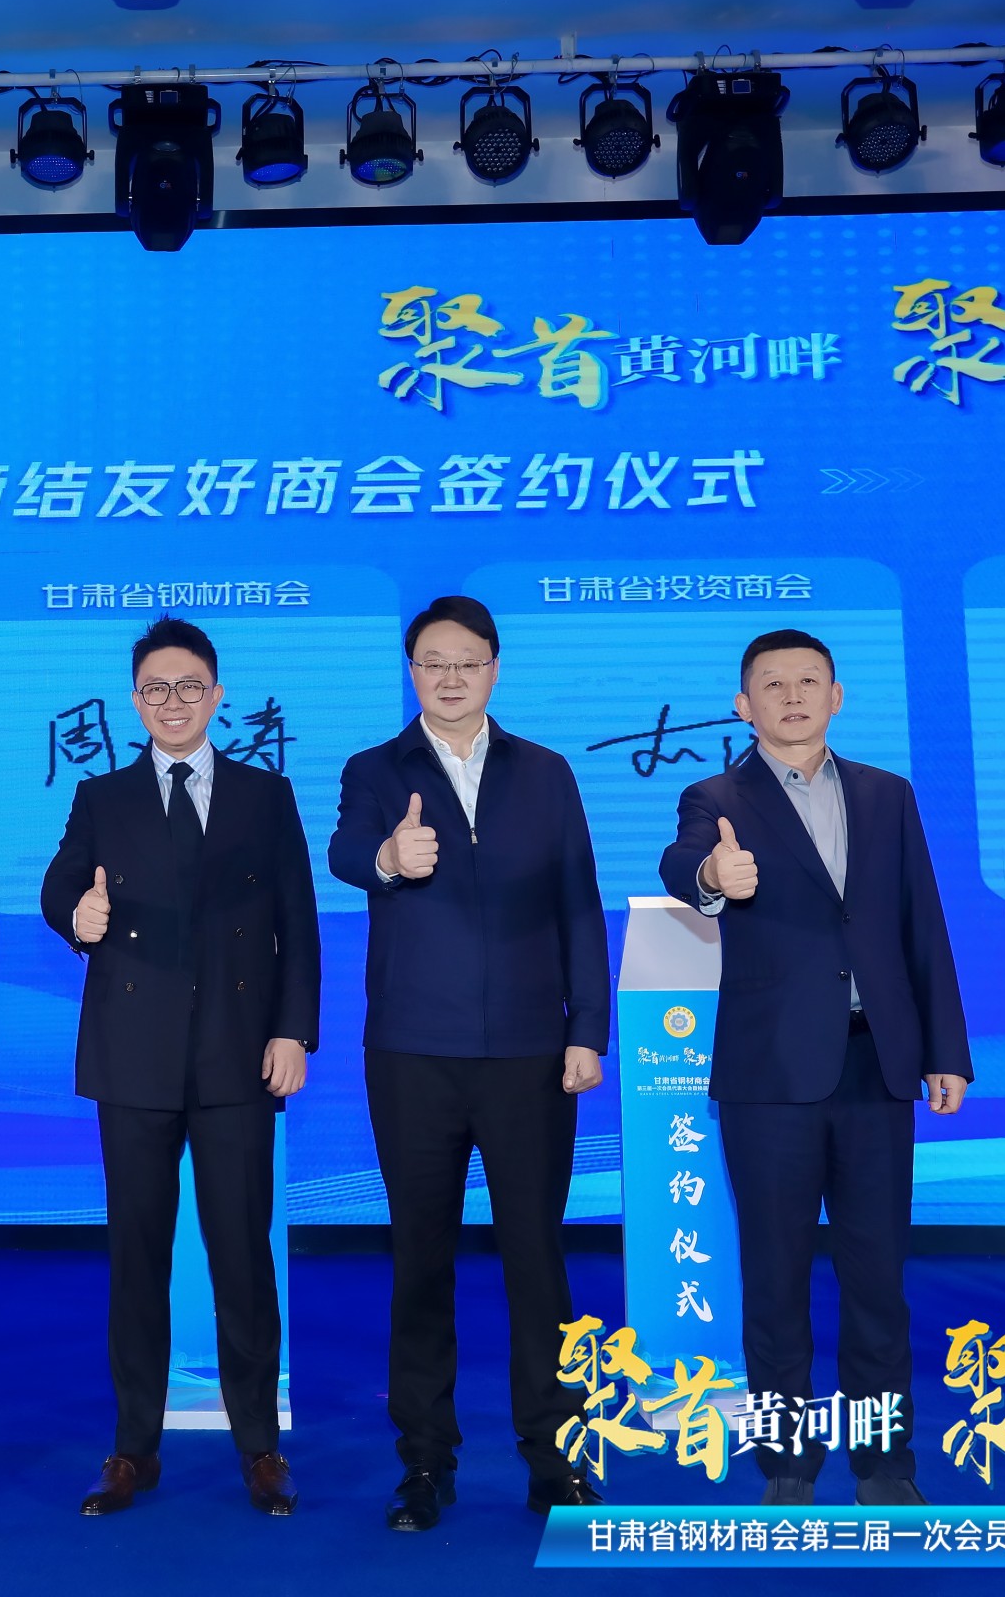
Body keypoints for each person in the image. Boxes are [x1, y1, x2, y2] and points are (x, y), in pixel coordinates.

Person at [656, 628, 971, 1508]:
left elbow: (921, 924)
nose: (791, 696)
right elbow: (682, 866)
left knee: (877, 1279)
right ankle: (787, 1463)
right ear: (742, 704)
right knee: (776, 1276)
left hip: (879, 1066)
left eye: (808, 681)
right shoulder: (715, 796)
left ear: (836, 696)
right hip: (770, 1078)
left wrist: (945, 1050)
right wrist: (713, 875)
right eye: (772, 684)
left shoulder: (887, 794)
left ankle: (885, 1463)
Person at [327, 595, 610, 1532]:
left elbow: (579, 903)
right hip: (414, 1052)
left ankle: (554, 1457)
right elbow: (344, 852)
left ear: (494, 668)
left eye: (468, 661)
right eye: (432, 662)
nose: (450, 677)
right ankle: (424, 1462)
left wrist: (587, 1030)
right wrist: (388, 856)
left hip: (531, 1053)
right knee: (421, 1258)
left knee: (539, 1262)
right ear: (411, 671)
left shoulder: (547, 772)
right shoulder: (376, 770)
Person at [39, 616, 318, 1519]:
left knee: (243, 1256)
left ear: (217, 695)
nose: (173, 702)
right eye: (156, 688)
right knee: (137, 1258)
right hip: (134, 1058)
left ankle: (260, 1447)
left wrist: (293, 1032)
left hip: (238, 1054)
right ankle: (132, 1450)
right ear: (135, 700)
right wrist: (74, 918)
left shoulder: (265, 794)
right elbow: (61, 885)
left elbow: (299, 923)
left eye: (189, 686)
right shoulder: (102, 796)